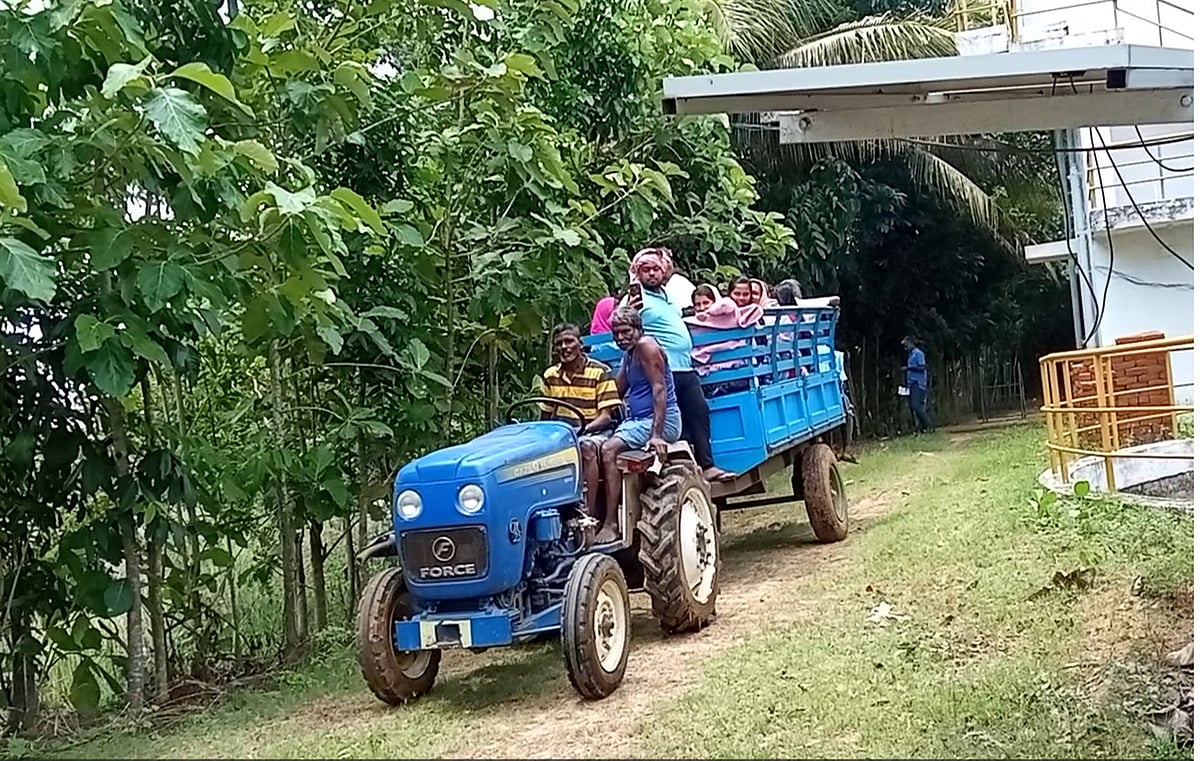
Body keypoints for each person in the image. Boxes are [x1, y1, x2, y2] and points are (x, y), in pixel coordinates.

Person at [627, 249, 734, 482]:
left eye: (656, 269)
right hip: (663, 370)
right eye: (646, 270)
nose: (652, 274)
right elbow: (623, 323)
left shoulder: (666, 294)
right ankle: (685, 469)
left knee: (699, 411)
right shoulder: (637, 298)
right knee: (675, 421)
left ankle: (706, 465)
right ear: (637, 272)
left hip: (685, 367)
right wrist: (630, 312)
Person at [596, 308, 681, 543]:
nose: (621, 338)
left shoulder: (646, 347)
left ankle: (611, 523)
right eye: (616, 333)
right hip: (635, 421)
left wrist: (656, 434)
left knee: (609, 449)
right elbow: (617, 390)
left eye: (626, 332)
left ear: (638, 329)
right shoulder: (630, 354)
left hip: (660, 422)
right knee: (591, 446)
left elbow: (659, 389)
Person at [539, 324, 623, 518]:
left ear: (580, 344)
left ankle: (588, 515)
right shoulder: (550, 375)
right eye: (559, 343)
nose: (564, 347)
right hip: (562, 433)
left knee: (585, 447)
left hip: (595, 431)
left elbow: (605, 417)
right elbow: (546, 416)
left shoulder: (600, 372)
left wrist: (580, 431)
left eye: (569, 341)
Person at [902, 335, 934, 433]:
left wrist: (908, 368)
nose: (905, 347)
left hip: (918, 383)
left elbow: (922, 367)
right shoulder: (910, 355)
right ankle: (921, 427)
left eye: (906, 344)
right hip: (911, 383)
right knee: (913, 406)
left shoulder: (918, 354)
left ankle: (928, 425)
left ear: (911, 343)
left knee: (917, 406)